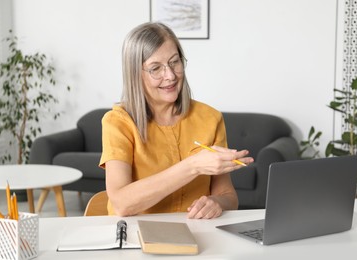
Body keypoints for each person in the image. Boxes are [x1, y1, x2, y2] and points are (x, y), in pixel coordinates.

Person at [99, 22, 254, 219]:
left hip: (195, 233)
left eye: (174, 62)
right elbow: (121, 204)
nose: (170, 75)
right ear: (135, 74)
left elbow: (228, 197)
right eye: (156, 68)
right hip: (135, 236)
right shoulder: (118, 122)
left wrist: (216, 203)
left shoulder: (210, 118)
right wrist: (193, 166)